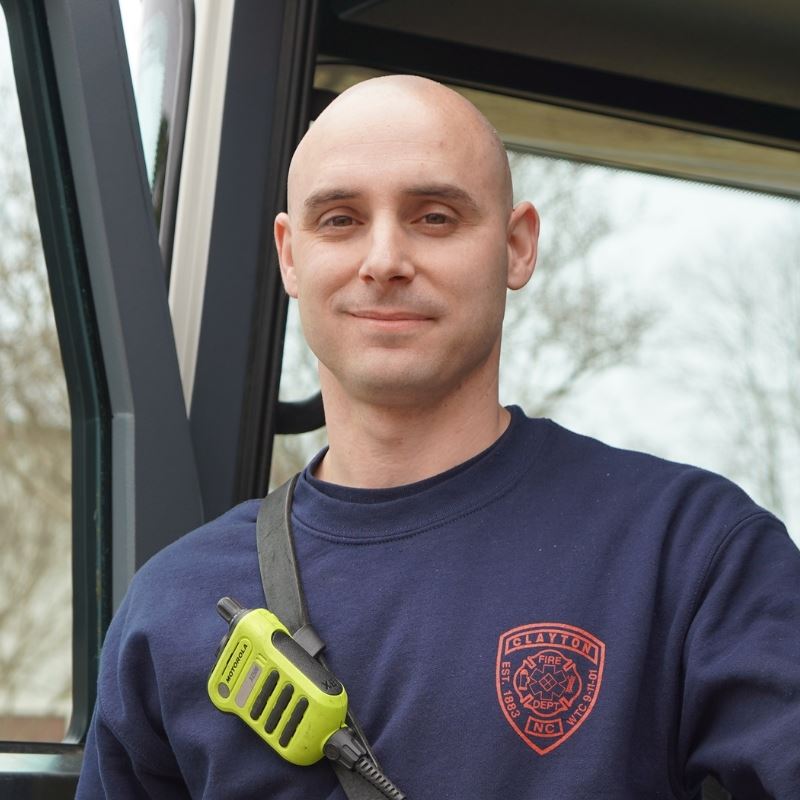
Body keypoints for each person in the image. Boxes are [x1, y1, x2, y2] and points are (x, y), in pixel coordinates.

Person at [76, 75, 800, 799]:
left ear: (517, 247)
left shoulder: (694, 554)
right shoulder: (171, 609)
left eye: (434, 217)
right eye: (340, 219)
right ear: (290, 255)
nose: (385, 259)